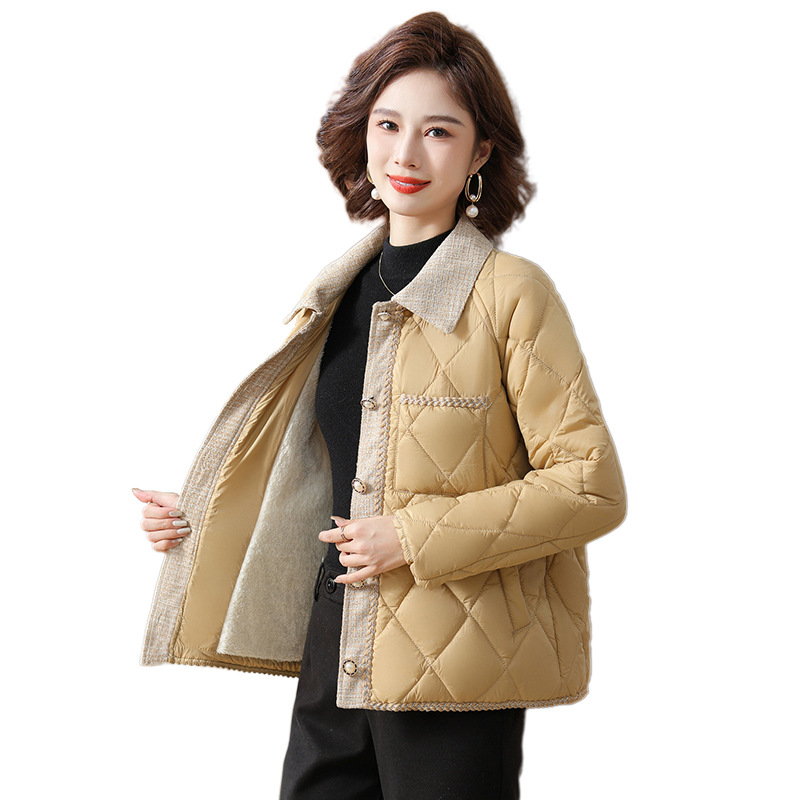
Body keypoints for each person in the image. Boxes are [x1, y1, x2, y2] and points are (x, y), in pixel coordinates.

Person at [134, 12, 627, 800]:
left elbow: (591, 486)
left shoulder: (511, 294)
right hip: (337, 643)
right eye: (388, 124)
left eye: (439, 131)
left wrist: (412, 535)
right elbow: (333, 476)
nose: (406, 154)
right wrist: (199, 516)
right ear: (361, 134)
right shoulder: (337, 292)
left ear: (481, 151)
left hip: (456, 668)